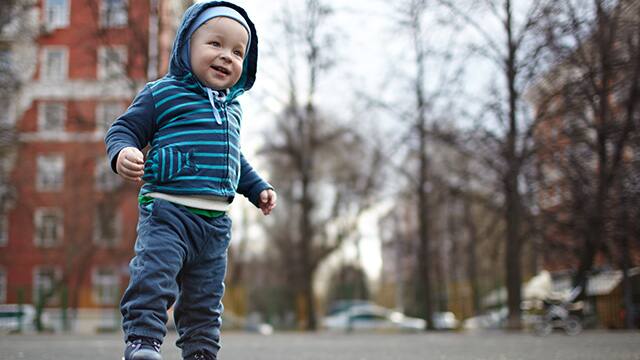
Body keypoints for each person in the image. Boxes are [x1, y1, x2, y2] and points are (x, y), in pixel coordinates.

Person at [104, 2, 275, 359]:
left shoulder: (233, 109)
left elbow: (234, 159)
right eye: (215, 44)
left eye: (237, 51)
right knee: (153, 279)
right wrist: (122, 153)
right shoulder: (162, 93)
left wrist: (258, 187)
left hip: (214, 226)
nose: (226, 56)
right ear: (186, 46)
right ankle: (142, 343)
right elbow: (123, 129)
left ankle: (200, 352)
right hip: (168, 213)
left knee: (205, 298)